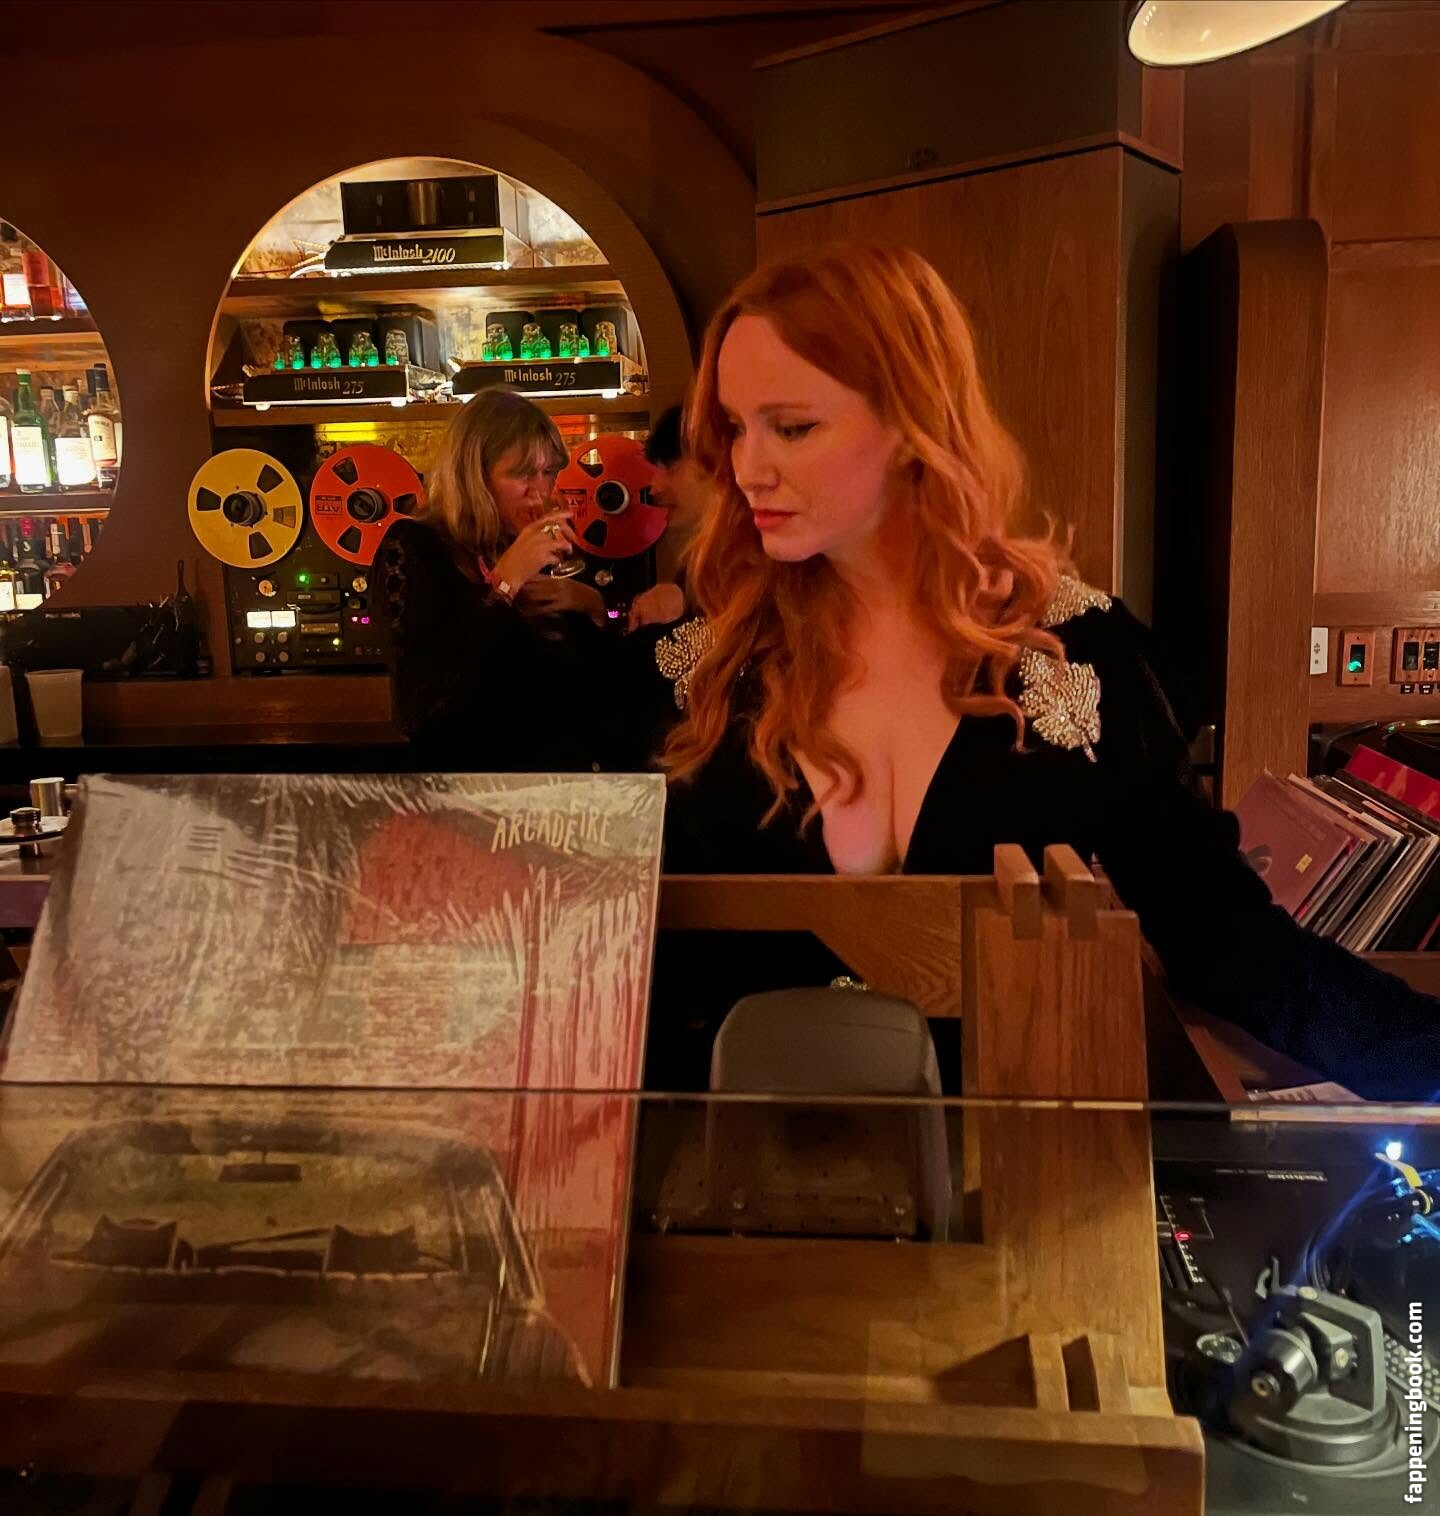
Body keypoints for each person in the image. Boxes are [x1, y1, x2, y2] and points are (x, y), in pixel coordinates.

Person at [648, 242, 1440, 1101]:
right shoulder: (698, 672)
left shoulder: (1082, 654)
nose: (747, 468)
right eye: (735, 427)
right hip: (729, 1165)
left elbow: (1222, 936)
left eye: (792, 427)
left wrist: (1426, 1057)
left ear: (914, 420)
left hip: (1016, 1160)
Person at [376, 388, 631, 771]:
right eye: (523, 473)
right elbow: (422, 710)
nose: (540, 490)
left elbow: (597, 695)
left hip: (561, 793)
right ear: (474, 476)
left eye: (548, 472)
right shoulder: (414, 546)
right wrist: (506, 583)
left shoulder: (524, 547)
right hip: (474, 794)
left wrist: (594, 609)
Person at [626, 404, 716, 632]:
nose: (654, 488)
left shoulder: (759, 566)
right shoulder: (702, 565)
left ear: (716, 463)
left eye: (671, 468)